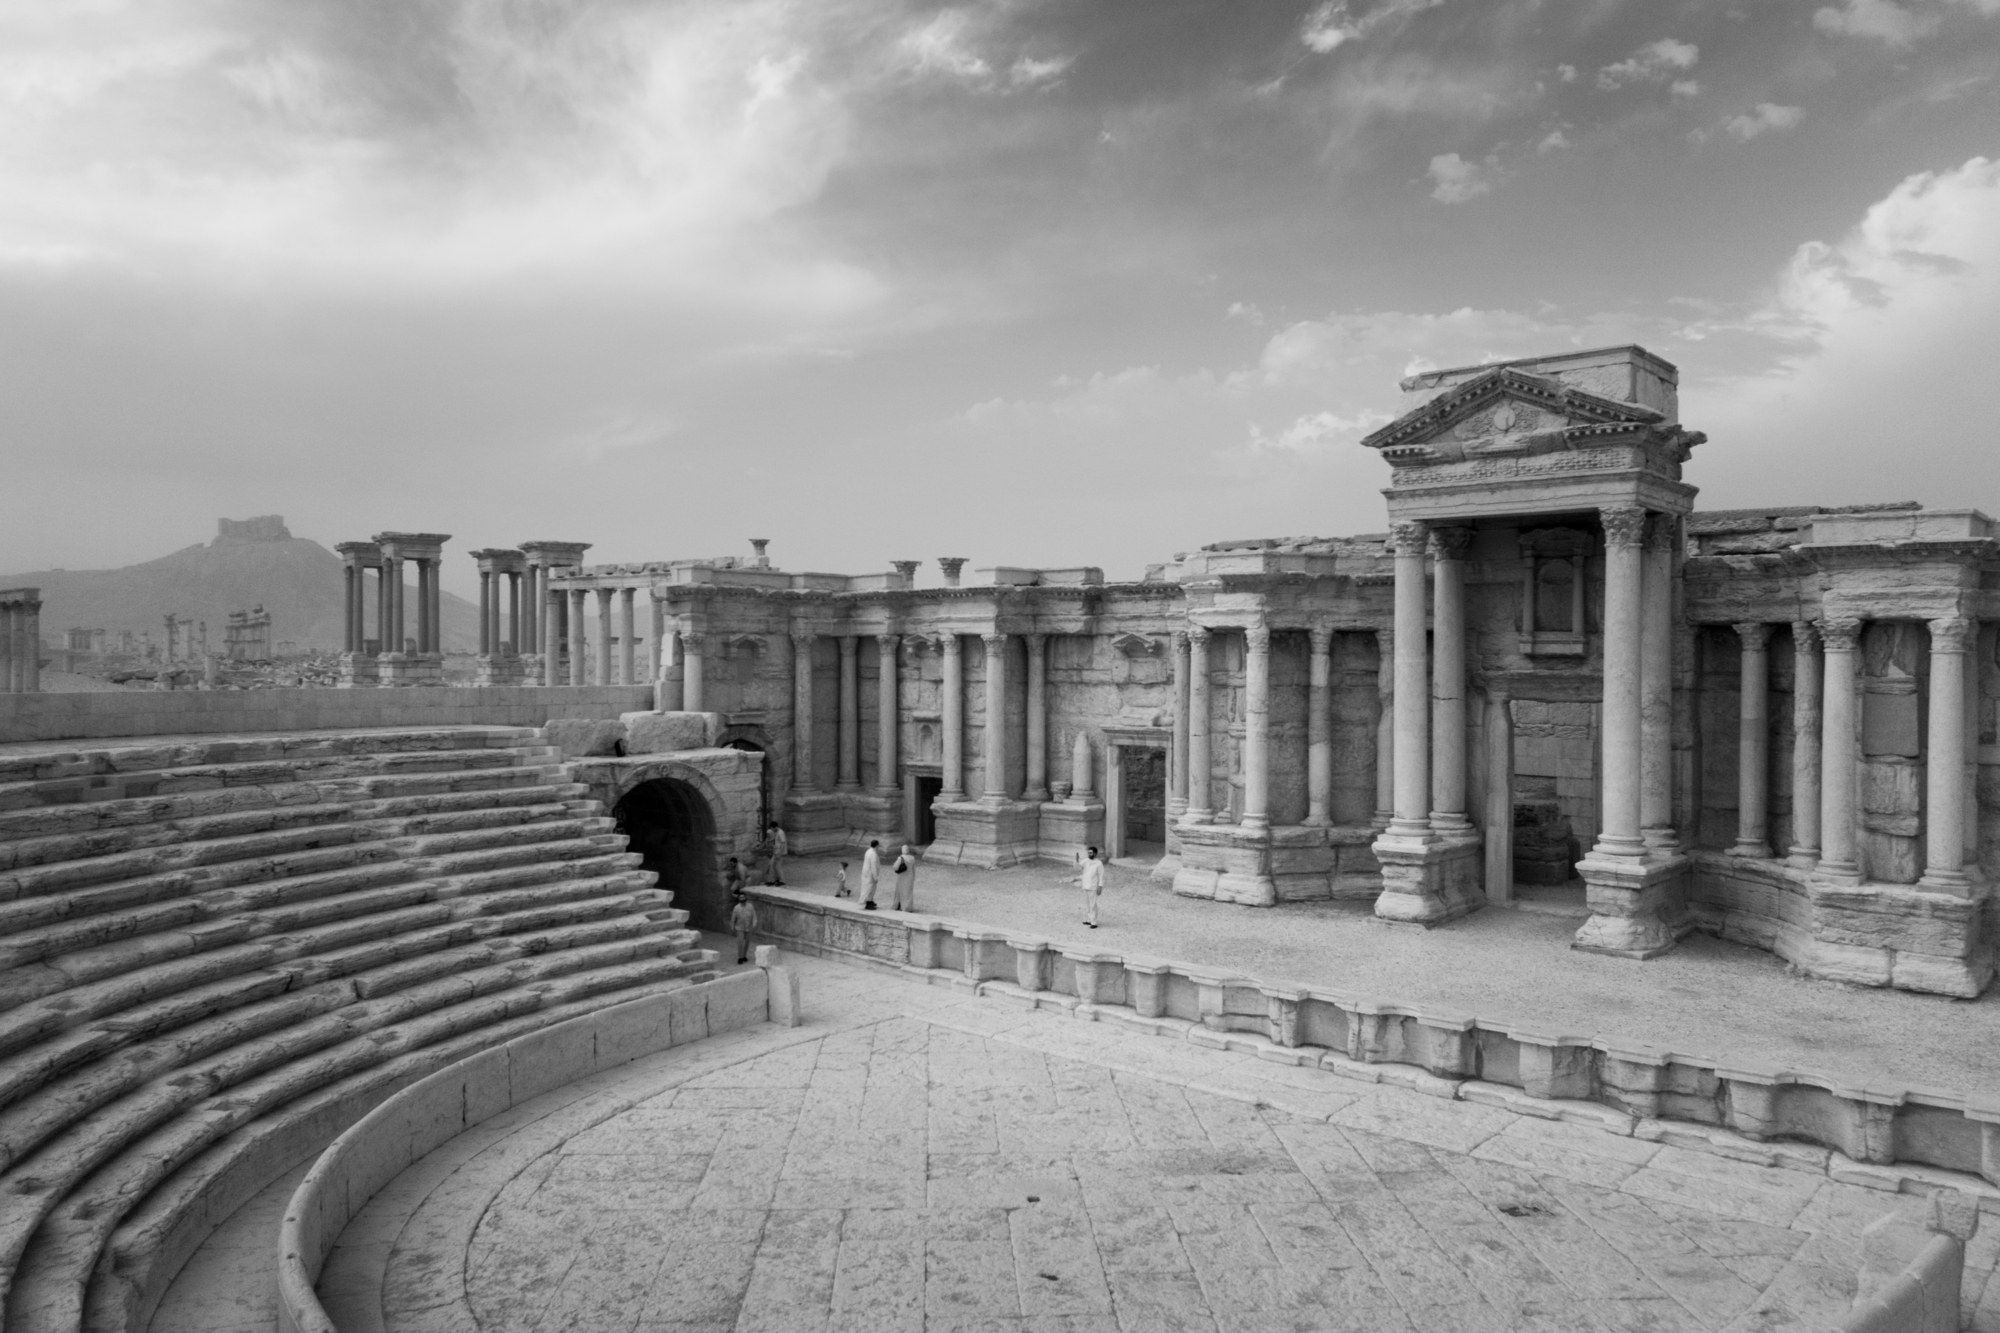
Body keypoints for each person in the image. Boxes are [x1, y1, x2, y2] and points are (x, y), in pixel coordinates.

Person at [1074, 846, 1104, 928]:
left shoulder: (1099, 863)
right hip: (1085, 885)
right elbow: (1077, 868)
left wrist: (1100, 886)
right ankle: (1089, 920)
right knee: (1087, 904)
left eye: (1090, 853)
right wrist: (1076, 860)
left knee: (1093, 904)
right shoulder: (1086, 861)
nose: (1089, 854)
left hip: (1093, 887)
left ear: (1095, 853)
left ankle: (1094, 922)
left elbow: (1101, 876)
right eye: (1088, 852)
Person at [729, 891, 757, 964]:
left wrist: (754, 923)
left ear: (746, 897)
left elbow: (754, 915)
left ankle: (744, 955)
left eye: (744, 897)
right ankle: (740, 957)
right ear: (739, 898)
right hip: (740, 928)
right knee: (740, 943)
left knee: (747, 942)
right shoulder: (736, 908)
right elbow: (733, 918)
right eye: (741, 897)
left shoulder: (750, 906)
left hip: (748, 927)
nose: (742, 898)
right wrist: (732, 927)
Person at [890, 844, 917, 912]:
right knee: (908, 893)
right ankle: (907, 907)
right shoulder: (912, 858)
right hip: (910, 877)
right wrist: (913, 877)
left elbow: (895, 867)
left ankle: (898, 905)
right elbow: (914, 869)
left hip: (902, 877)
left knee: (900, 891)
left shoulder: (901, 858)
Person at [860, 839, 882, 910]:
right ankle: (868, 903)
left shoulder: (868, 851)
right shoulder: (873, 854)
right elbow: (873, 866)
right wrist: (875, 877)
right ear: (877, 845)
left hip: (866, 873)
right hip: (870, 874)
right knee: (870, 888)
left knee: (868, 888)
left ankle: (870, 901)